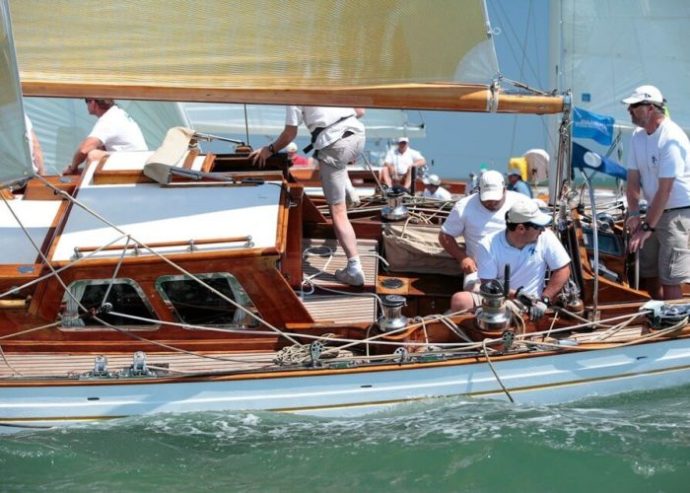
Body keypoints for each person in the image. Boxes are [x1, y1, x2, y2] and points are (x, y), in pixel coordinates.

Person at [249, 106, 367, 286]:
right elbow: (360, 111)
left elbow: (290, 134)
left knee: (338, 211)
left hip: (334, 143)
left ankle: (354, 268)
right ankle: (348, 191)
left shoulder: (294, 96)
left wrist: (269, 149)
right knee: (337, 163)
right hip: (357, 135)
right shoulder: (324, 83)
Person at [623, 85, 690, 300]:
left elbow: (665, 189)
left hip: (676, 213)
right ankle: (658, 315)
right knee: (647, 273)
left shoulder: (671, 137)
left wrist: (647, 227)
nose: (629, 110)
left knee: (670, 277)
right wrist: (634, 214)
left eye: (634, 106)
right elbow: (633, 179)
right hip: (653, 209)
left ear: (650, 108)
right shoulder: (637, 136)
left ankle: (674, 323)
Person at [450, 200, 572, 317]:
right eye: (538, 226)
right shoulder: (487, 244)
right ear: (521, 229)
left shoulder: (546, 237)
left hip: (532, 303)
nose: (543, 229)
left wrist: (544, 300)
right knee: (460, 300)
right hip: (496, 299)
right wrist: (517, 294)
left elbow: (563, 269)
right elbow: (488, 283)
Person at [439, 170, 529, 289]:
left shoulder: (522, 203)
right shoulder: (464, 207)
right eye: (487, 199)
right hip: (479, 270)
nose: (491, 202)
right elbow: (445, 235)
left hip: (518, 270)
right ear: (479, 190)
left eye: (496, 199)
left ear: (504, 190)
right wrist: (463, 258)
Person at [63, 99, 147, 175]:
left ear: (93, 102)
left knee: (93, 155)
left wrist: (72, 168)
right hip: (138, 164)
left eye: (86, 101)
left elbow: (84, 150)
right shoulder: (118, 113)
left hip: (134, 168)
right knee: (98, 150)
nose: (86, 105)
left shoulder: (109, 119)